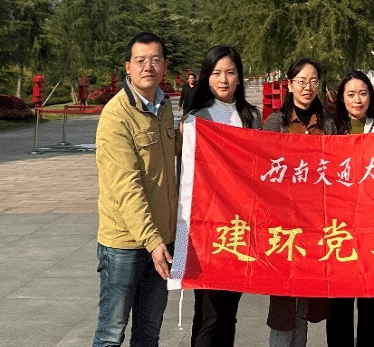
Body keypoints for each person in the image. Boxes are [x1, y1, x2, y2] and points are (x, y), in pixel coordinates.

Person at [92, 32, 179, 347]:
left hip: (161, 238)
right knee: (110, 334)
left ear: (164, 65)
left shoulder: (164, 106)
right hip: (125, 244)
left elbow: (169, 152)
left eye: (155, 60)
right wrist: (153, 242)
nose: (148, 67)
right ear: (128, 66)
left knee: (148, 333)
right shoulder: (116, 115)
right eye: (140, 61)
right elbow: (126, 187)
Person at [181, 45, 262, 347]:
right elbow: (187, 178)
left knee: (230, 312)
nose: (223, 79)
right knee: (209, 313)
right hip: (209, 229)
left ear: (240, 77)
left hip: (240, 227)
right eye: (216, 73)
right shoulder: (196, 119)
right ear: (207, 77)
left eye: (230, 72)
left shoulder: (251, 117)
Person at [263, 57, 336, 347]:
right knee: (283, 307)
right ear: (290, 84)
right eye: (301, 81)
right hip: (283, 227)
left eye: (313, 81)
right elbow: (261, 172)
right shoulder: (275, 123)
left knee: (305, 305)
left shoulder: (328, 124)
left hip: (317, 227)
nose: (308, 87)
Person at [327, 71, 374, 347]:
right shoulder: (331, 131)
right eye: (351, 94)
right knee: (339, 309)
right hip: (338, 231)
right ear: (342, 98)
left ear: (370, 97)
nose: (357, 100)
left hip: (372, 230)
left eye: (363, 93)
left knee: (372, 306)